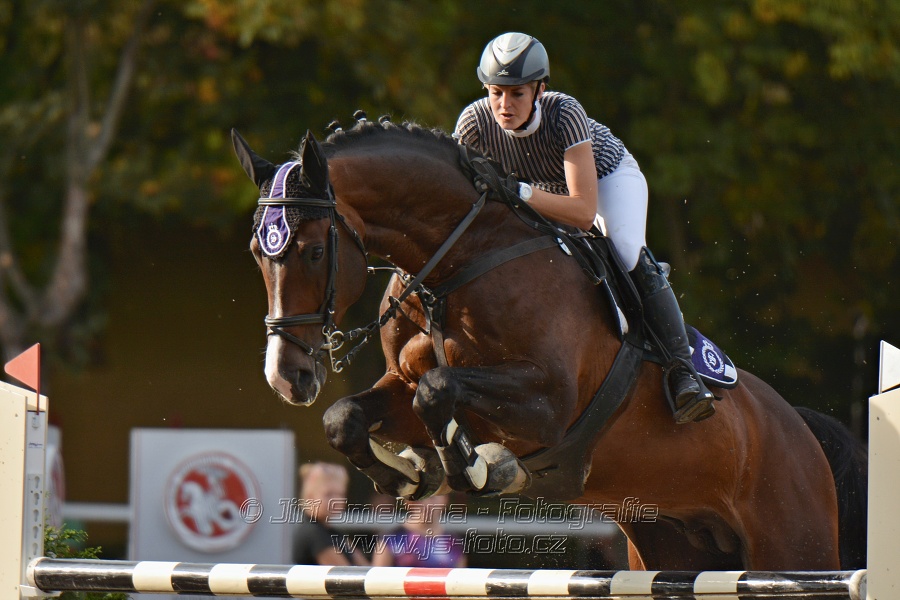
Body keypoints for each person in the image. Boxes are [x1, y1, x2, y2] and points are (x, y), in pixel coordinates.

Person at [454, 32, 715, 424]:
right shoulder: (473, 123)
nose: (504, 106)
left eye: (517, 94)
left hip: (606, 181)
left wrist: (517, 191)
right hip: (534, 192)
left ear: (539, 89)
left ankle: (682, 370)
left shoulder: (565, 113)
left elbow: (581, 211)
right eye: (495, 93)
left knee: (625, 249)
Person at [292, 462, 369, 565]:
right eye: (328, 494)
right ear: (310, 496)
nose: (336, 500)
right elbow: (344, 572)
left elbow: (364, 567)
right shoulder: (314, 534)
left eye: (341, 494)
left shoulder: (331, 532)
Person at [371, 495, 467, 568]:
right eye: (421, 498)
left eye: (433, 498)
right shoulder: (391, 538)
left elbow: (458, 582)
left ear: (445, 499)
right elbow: (378, 580)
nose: (427, 504)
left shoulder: (454, 542)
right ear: (409, 501)